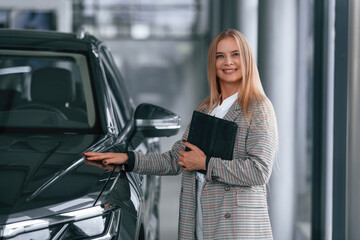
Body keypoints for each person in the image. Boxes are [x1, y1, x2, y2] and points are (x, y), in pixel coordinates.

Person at [85, 29, 278, 240]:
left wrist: (206, 163)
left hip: (238, 230)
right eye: (220, 56)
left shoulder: (258, 108)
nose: (227, 62)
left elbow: (259, 171)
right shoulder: (207, 109)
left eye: (235, 54)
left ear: (247, 60)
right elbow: (175, 160)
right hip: (200, 224)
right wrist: (127, 160)